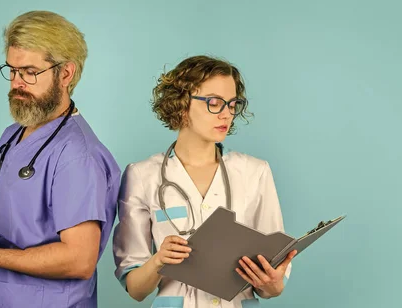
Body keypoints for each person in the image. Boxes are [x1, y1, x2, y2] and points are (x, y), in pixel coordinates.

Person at [0, 11, 120, 308]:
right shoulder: (12, 134)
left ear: (65, 74)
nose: (17, 83)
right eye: (12, 71)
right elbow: (19, 227)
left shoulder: (77, 154)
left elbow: (79, 259)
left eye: (29, 72)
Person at [112, 55, 296, 308]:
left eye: (232, 104)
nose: (226, 114)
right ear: (181, 102)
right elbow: (135, 288)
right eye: (214, 103)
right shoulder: (143, 175)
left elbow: (271, 285)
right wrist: (159, 261)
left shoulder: (255, 172)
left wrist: (272, 285)